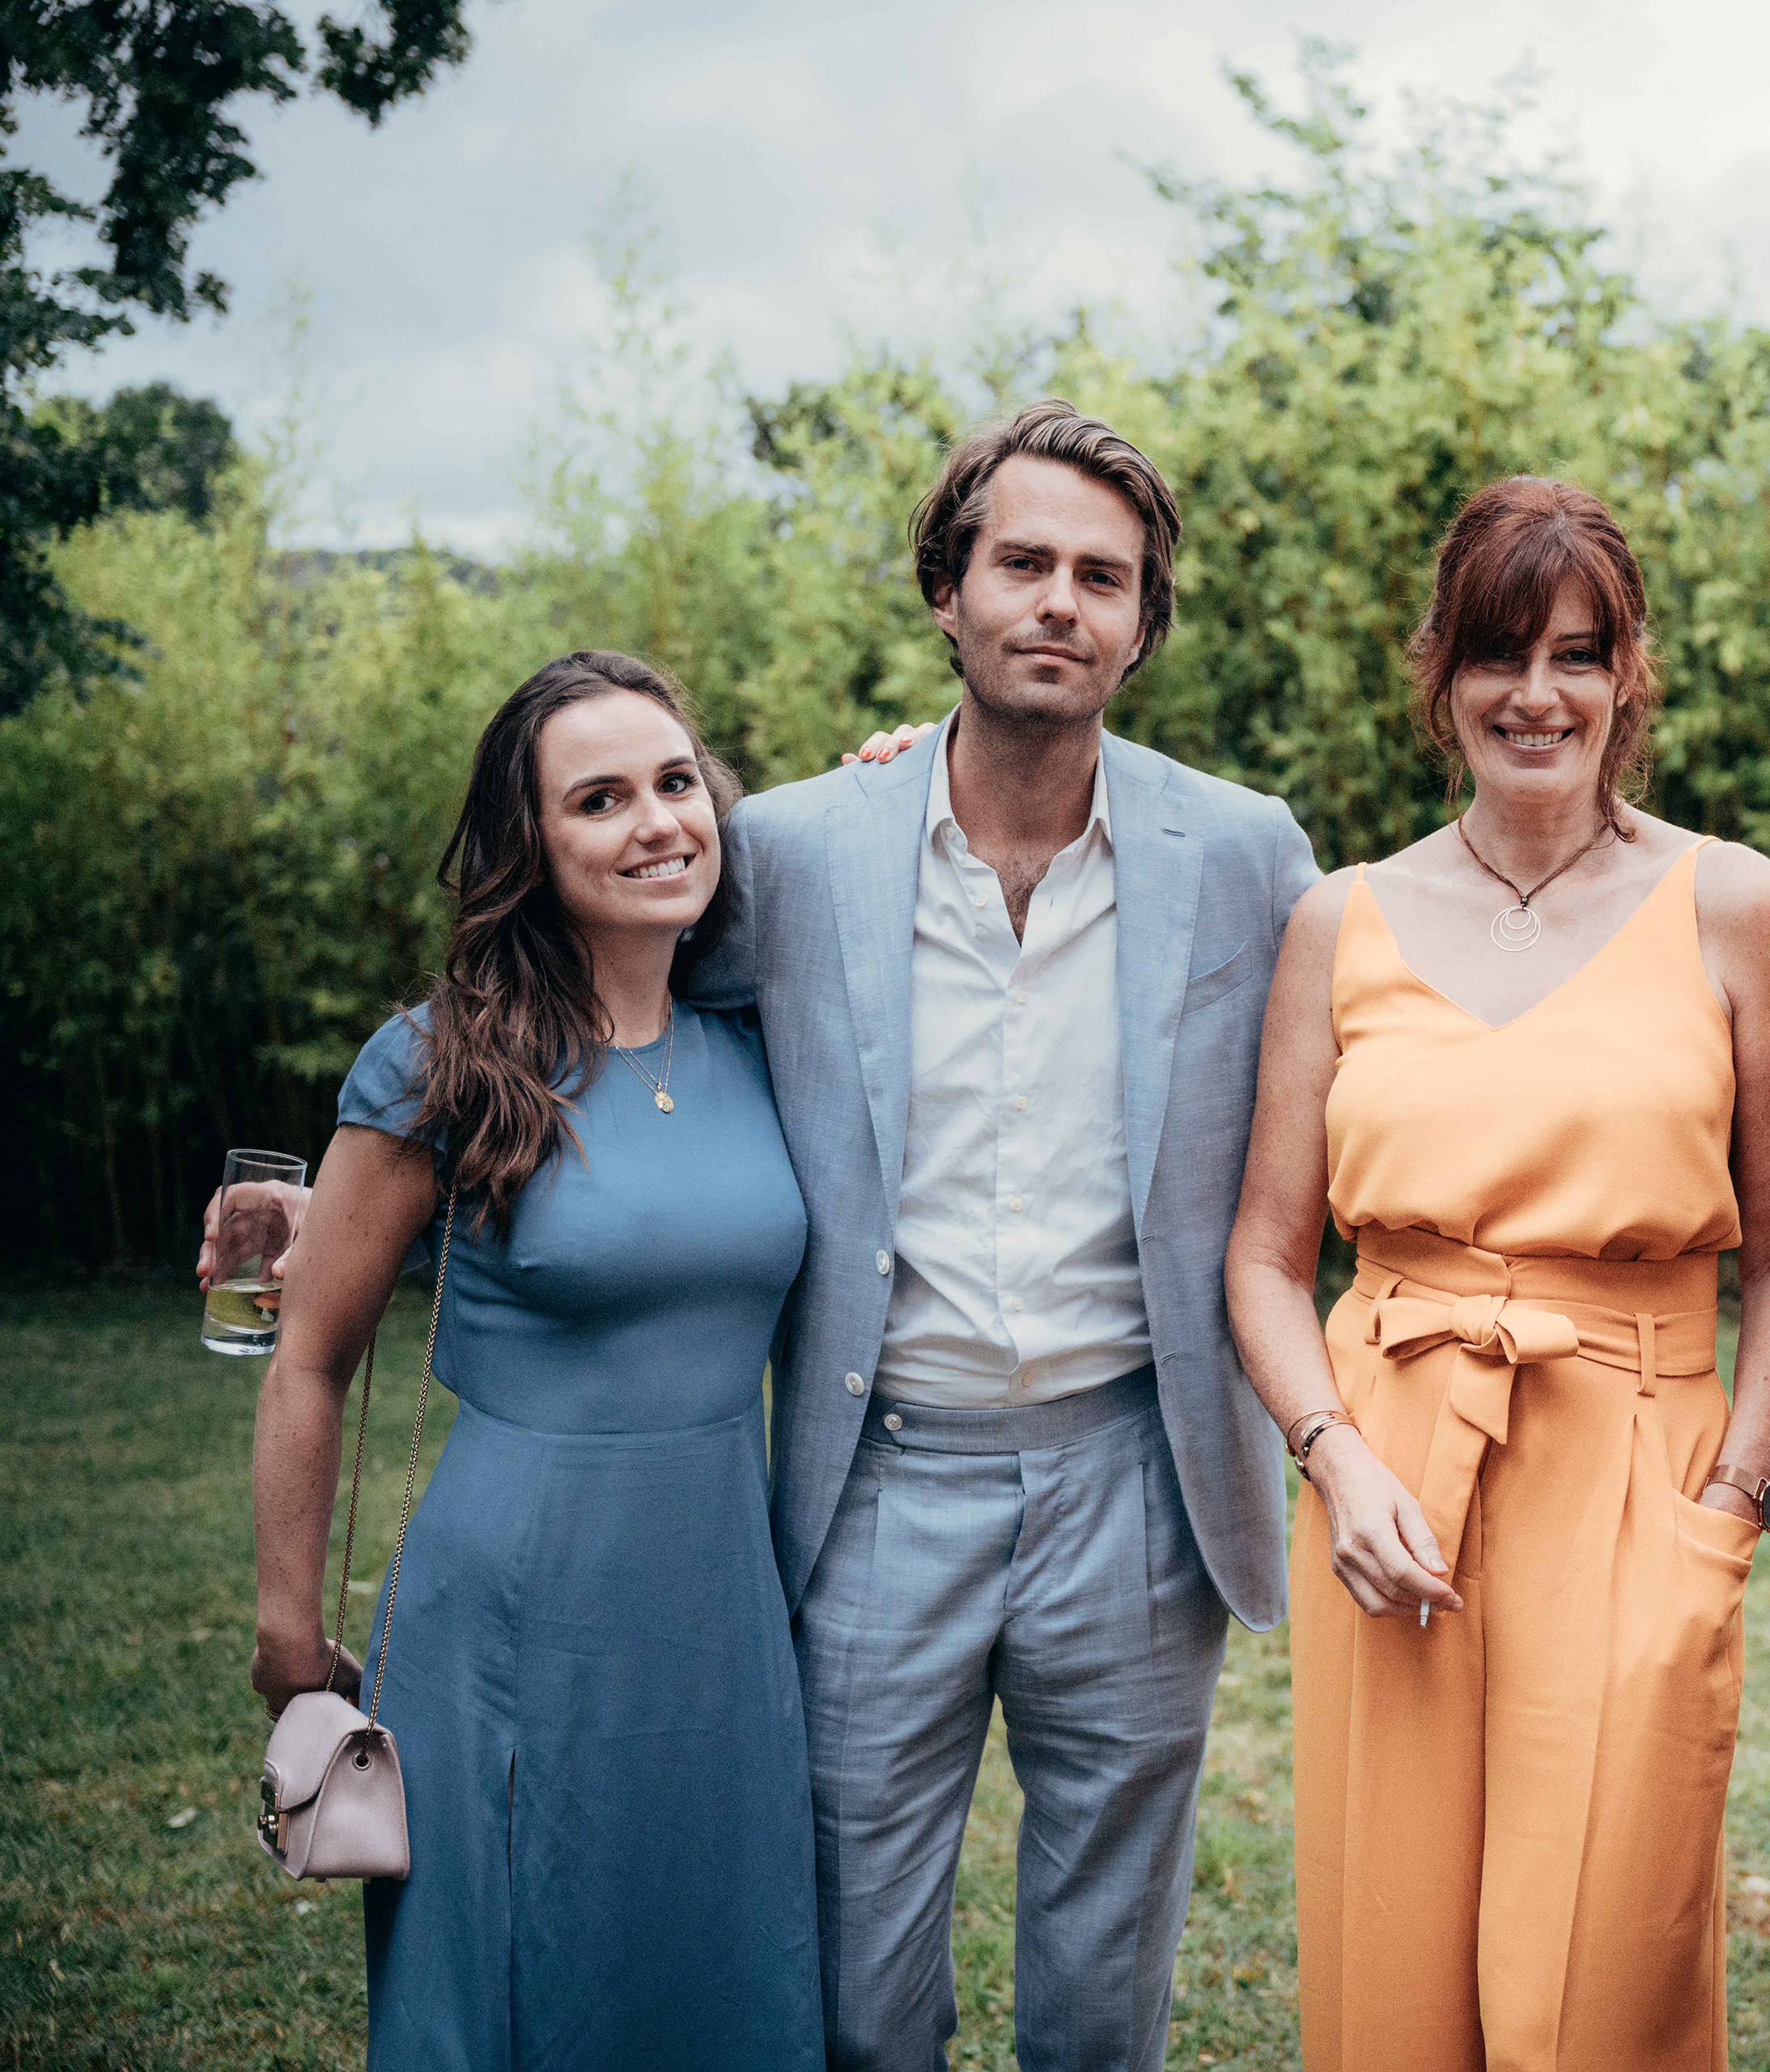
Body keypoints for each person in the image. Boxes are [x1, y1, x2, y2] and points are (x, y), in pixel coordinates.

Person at [695, 401, 1318, 2072]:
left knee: (1105, 1997)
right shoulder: (793, 852)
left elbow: (1378, 1068)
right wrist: (378, 1178)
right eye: (1022, 563)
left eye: (1102, 577)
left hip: (1139, 1477)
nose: (1060, 602)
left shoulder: (1246, 852)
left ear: (1143, 621)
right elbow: (610, 1034)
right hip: (876, 1477)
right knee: (856, 1989)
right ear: (947, 592)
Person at [1222, 475, 1770, 2070]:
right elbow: (1268, 1256)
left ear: (1630, 674)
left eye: (1578, 653)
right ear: (1440, 669)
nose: (1537, 694)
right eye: (1500, 652)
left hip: (1639, 1468)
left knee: (1604, 1971)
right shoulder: (1339, 920)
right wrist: (1333, 1455)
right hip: (1389, 1476)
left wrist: (1733, 1499)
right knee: (1396, 1960)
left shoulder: (1731, 904)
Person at [237, 650, 824, 2068]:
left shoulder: (768, 1042)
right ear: (531, 846)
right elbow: (309, 1355)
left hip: (722, 1610)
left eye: (677, 783)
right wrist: (288, 1629)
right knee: (513, 1976)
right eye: (599, 799)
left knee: (715, 1973)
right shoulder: (436, 1063)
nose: (657, 823)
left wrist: (897, 762)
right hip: (512, 1607)